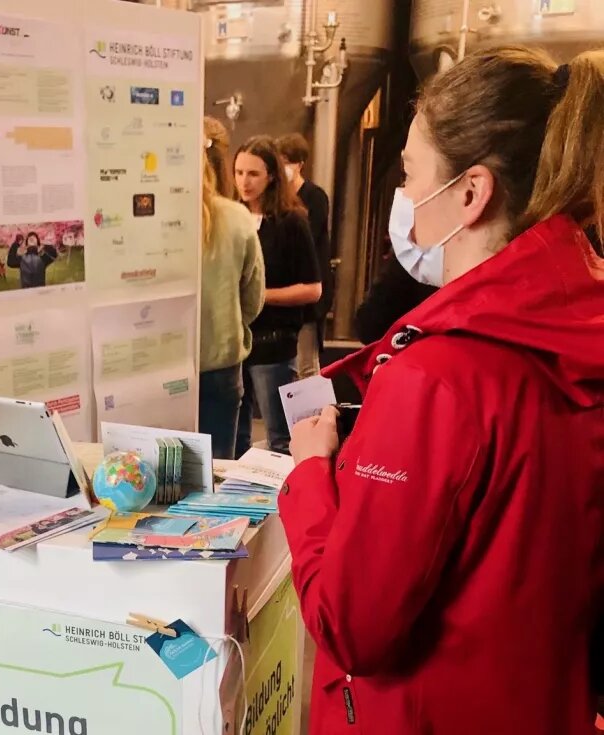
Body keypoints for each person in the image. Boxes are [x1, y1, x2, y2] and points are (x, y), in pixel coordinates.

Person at [280, 46, 604, 734]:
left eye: (409, 173)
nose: (403, 199)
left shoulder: (439, 379)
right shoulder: (579, 342)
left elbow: (352, 624)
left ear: (470, 192)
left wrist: (311, 473)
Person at [233, 135, 322, 456]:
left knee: (281, 441)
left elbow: (313, 289)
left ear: (271, 175)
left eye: (253, 174)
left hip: (273, 343)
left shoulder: (291, 221)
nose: (245, 181)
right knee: (234, 442)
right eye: (239, 172)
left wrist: (260, 296)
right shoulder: (231, 218)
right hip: (234, 344)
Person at [198, 117, 264, 459]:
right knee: (218, 472)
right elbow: (253, 299)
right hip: (222, 366)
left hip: (159, 369)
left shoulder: (154, 218)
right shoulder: (239, 218)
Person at [277, 133, 332, 378]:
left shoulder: (315, 196)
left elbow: (310, 235)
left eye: (286, 161)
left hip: (308, 290)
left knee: (307, 364)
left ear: (299, 164)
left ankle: (320, 415)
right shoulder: (278, 198)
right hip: (287, 288)